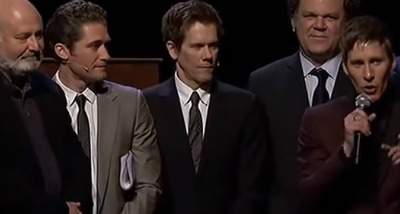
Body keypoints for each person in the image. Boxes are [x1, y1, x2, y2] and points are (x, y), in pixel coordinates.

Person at [143, 1, 267, 214]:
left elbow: (252, 187)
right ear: (173, 49)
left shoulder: (244, 105)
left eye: (214, 45)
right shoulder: (147, 104)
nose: (208, 55)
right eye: (198, 46)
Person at [45, 0, 161, 213]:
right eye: (94, 46)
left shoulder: (130, 103)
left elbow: (148, 185)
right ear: (63, 51)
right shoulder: (37, 104)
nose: (106, 55)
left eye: (106, 44)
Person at [247, 0, 360, 213]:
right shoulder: (263, 83)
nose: (319, 25)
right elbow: (254, 171)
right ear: (293, 21)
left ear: (347, 25)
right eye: (310, 16)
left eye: (331, 18)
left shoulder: (367, 80)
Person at [298, 15, 400, 214]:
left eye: (376, 62)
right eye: (358, 64)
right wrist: (345, 149)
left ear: (392, 64)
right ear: (345, 67)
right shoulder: (319, 120)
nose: (368, 74)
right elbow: (306, 196)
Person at [0, 0, 92, 213]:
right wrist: (59, 210)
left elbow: (75, 159)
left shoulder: (48, 89)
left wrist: (77, 204)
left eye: (38, 35)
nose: (34, 46)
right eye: (23, 37)